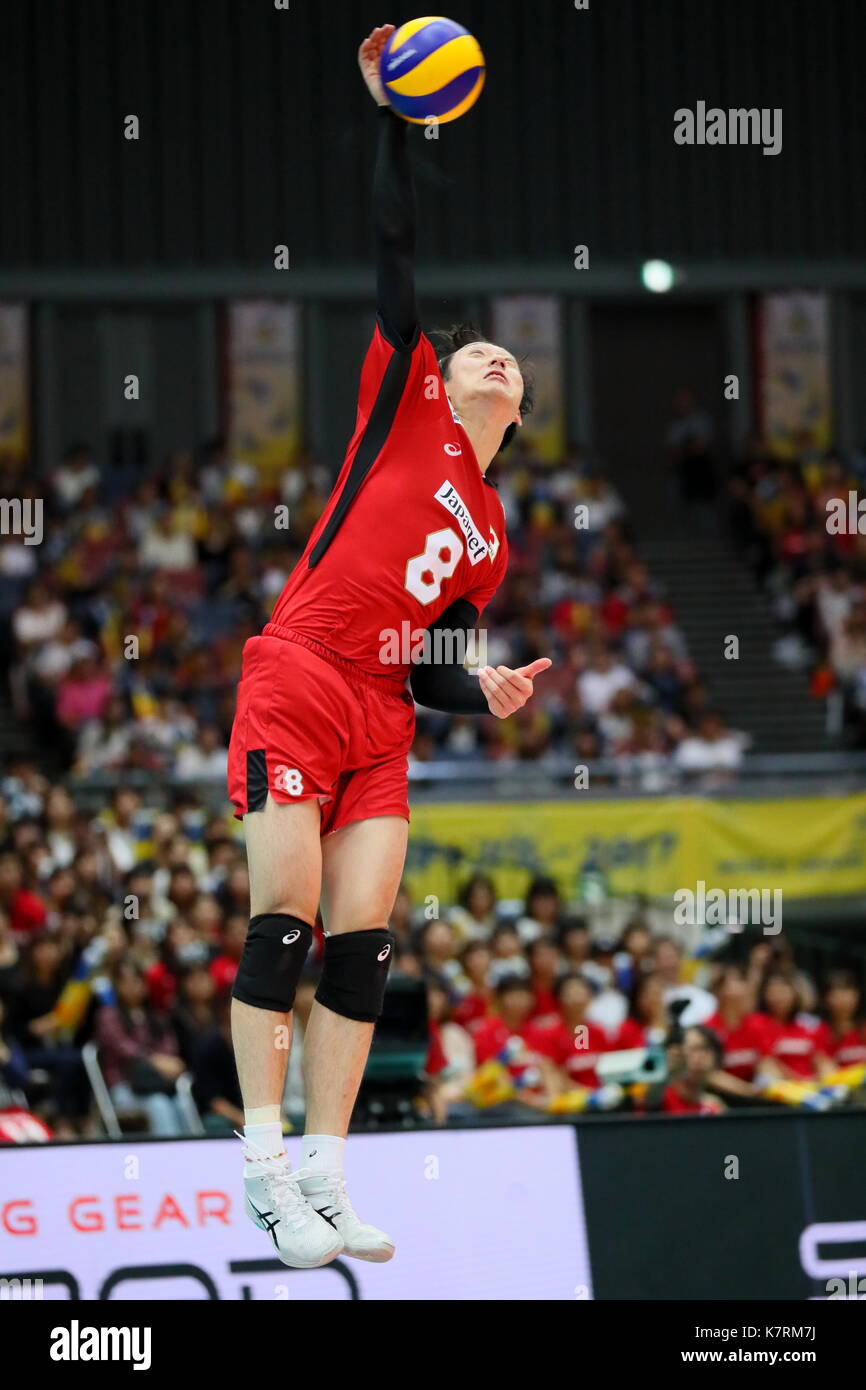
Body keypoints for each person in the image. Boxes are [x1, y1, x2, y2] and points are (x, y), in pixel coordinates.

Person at [225, 24, 551, 1271]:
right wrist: (396, 122)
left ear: (514, 409)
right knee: (288, 925)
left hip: (384, 712)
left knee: (364, 943)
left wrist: (482, 689)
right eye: (481, 349)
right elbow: (394, 248)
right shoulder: (406, 383)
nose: (489, 354)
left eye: (506, 362)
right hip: (301, 669)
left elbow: (425, 663)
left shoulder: (493, 535)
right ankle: (260, 1166)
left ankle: (322, 1170)